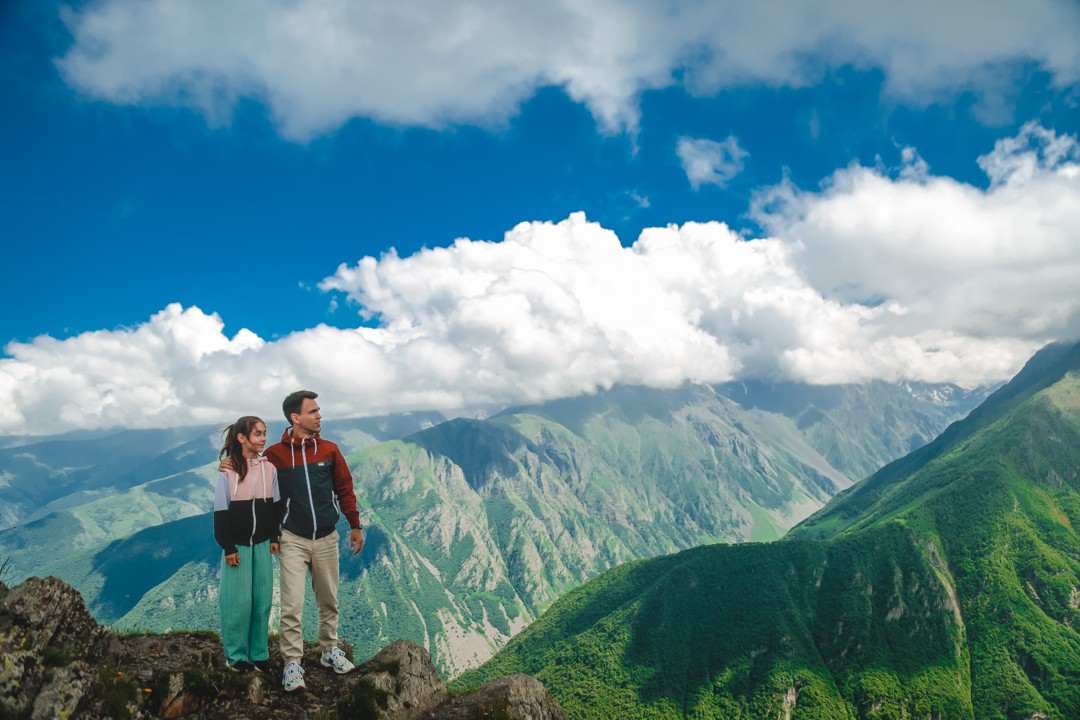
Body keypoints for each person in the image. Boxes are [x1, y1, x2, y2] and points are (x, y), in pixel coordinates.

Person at [263, 390, 364, 692]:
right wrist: (228, 464)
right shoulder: (275, 455)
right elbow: (261, 490)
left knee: (328, 600)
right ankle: (292, 663)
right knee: (292, 605)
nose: (320, 415)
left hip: (327, 538)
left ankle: (329, 651)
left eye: (319, 411)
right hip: (292, 539)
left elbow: (345, 488)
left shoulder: (330, 450)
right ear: (296, 417)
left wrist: (355, 525)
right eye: (313, 411)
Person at [213, 416, 280, 673]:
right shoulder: (228, 472)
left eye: (265, 433)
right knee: (237, 603)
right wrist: (227, 546)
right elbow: (221, 512)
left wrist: (274, 537)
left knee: (261, 600)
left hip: (262, 544)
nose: (263, 438)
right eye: (258, 434)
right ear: (242, 438)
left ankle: (259, 654)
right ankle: (236, 657)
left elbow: (276, 506)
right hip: (237, 546)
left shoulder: (269, 469)